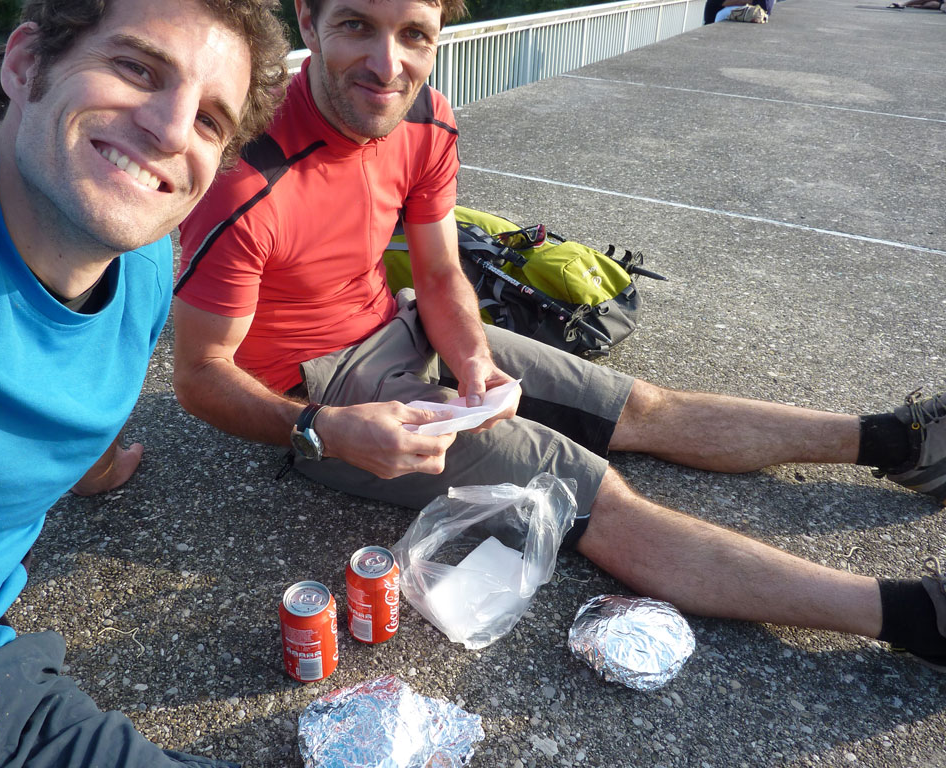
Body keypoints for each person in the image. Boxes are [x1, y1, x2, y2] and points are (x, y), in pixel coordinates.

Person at [173, 0, 946, 675]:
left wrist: (472, 360)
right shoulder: (245, 180)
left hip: (398, 322)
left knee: (640, 408)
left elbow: (439, 272)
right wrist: (324, 431)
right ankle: (916, 616)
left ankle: (898, 441)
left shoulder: (425, 117)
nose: (387, 64)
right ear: (307, 20)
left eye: (414, 34)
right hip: (322, 385)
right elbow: (200, 374)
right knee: (593, 496)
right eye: (356, 26)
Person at [0, 0, 288, 765]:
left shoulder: (143, 270)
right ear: (26, 64)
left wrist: (96, 468)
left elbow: (71, 394)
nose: (172, 129)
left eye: (210, 120)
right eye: (136, 69)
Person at [704, 0, 772, 24]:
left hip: (757, 9)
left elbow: (765, 4)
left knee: (720, 14)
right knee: (712, 3)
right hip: (758, 6)